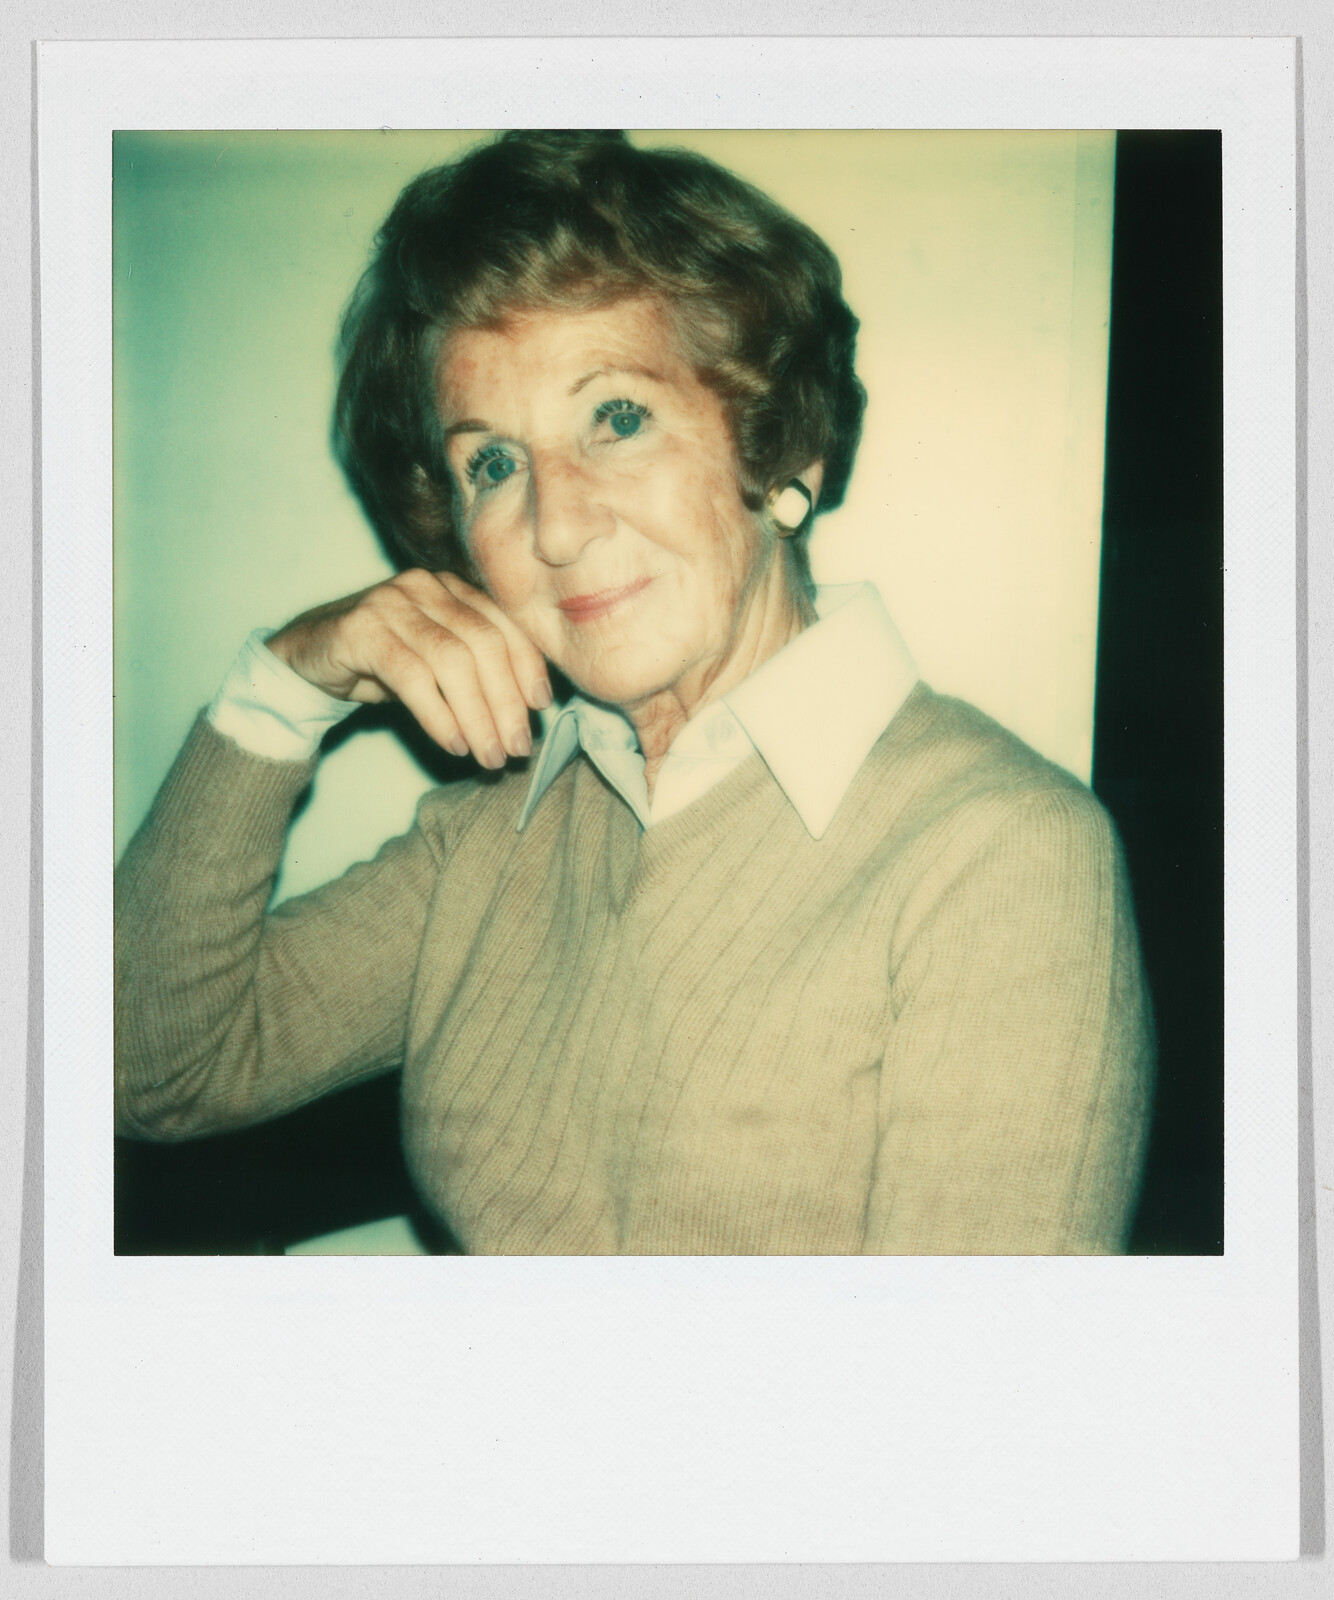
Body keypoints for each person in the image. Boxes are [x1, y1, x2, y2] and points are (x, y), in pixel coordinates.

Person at [114, 129, 1154, 1254]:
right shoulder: (492, 836)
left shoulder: (1000, 856)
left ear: (778, 443)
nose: (554, 525)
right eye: (491, 463)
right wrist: (282, 688)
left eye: (614, 417)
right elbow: (153, 1069)